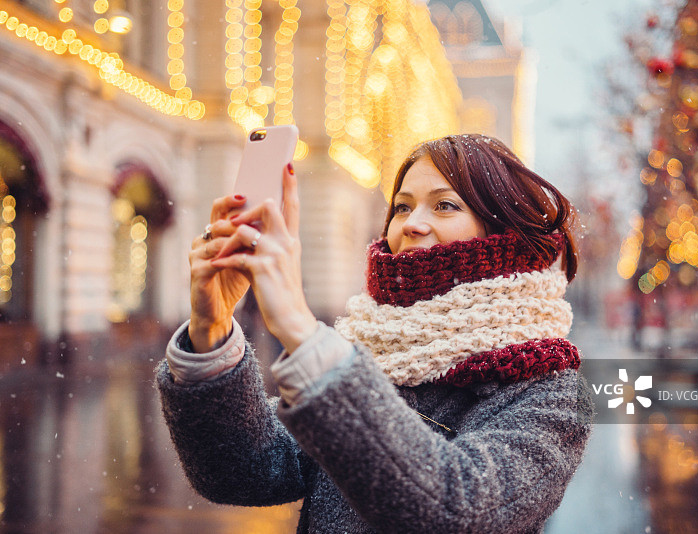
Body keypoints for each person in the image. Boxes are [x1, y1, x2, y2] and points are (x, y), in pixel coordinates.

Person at [156, 134, 594, 534]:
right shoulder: (375, 354)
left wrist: (301, 328)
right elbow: (242, 471)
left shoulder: (551, 390)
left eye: (444, 205)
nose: (411, 224)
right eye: (402, 206)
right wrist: (210, 329)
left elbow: (457, 509)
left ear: (502, 230)